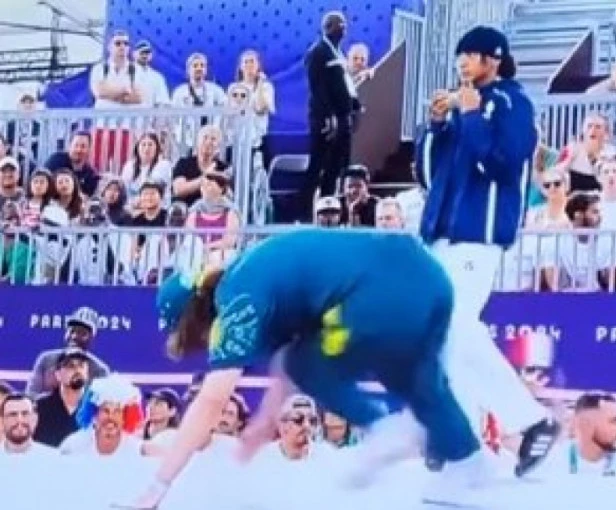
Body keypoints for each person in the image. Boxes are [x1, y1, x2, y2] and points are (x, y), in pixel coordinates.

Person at [117, 229, 494, 509]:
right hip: (428, 277)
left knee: (310, 363)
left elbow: (212, 400)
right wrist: (265, 421)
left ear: (194, 317)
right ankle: (468, 461)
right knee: (420, 382)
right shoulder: (257, 273)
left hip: (380, 292)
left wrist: (157, 487)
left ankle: (382, 426)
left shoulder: (237, 297)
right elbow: (286, 360)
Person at [415, 25, 559, 476]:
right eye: (460, 55)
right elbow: (428, 175)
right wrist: (436, 126)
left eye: (471, 55)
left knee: (455, 326)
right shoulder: (464, 104)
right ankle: (460, 435)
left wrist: (474, 115)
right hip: (441, 233)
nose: (462, 62)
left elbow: (505, 162)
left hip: (480, 233)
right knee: (443, 336)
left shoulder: (513, 102)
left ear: (493, 59)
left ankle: (528, 421)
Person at [302, 11, 361, 218]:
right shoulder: (318, 52)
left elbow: (345, 84)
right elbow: (317, 88)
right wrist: (329, 116)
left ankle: (331, 210)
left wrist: (354, 105)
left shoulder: (337, 52)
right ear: (327, 28)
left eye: (344, 25)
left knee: (337, 166)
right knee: (318, 165)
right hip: (326, 121)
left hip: (343, 118)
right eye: (339, 25)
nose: (343, 29)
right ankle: (305, 213)